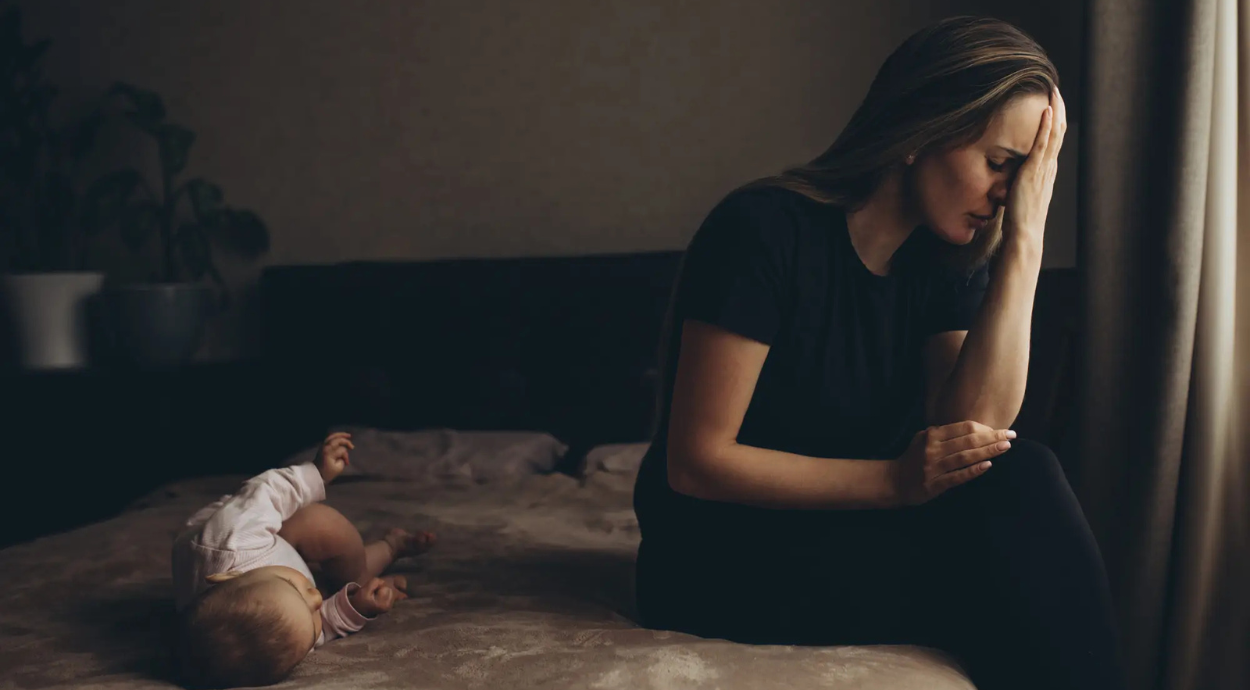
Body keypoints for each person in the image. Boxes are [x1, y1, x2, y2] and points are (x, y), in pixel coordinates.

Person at [632, 16, 1126, 690]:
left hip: (846, 535)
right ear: (920, 131)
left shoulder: (944, 259)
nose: (1009, 192)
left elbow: (973, 433)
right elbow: (695, 463)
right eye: (999, 164)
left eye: (1025, 175)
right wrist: (894, 482)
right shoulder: (764, 230)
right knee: (1010, 591)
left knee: (1022, 477)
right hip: (720, 554)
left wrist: (1026, 242)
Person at [171, 432, 437, 688]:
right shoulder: (283, 642)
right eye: (312, 624)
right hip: (275, 568)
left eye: (295, 589)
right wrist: (356, 607)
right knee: (329, 590)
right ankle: (389, 548)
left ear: (229, 576)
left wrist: (316, 474)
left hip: (258, 528)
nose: (317, 600)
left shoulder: (231, 539)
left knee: (321, 524)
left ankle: (373, 559)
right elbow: (322, 627)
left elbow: (266, 494)